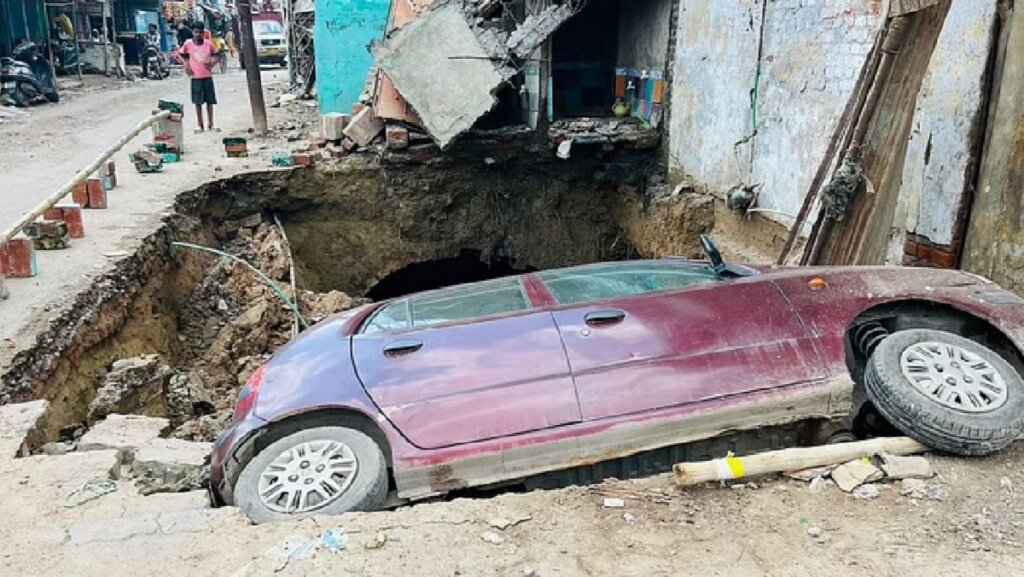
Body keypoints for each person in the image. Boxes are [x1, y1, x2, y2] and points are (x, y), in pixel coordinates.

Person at [181, 23, 222, 133]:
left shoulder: (208, 44)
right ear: (192, 33)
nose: (198, 34)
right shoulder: (188, 44)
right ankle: (199, 125)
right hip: (195, 77)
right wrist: (187, 66)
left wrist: (213, 63)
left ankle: (211, 124)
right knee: (197, 102)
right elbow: (181, 55)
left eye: (200, 32)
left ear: (203, 33)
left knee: (210, 101)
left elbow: (218, 54)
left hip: (207, 76)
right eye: (196, 32)